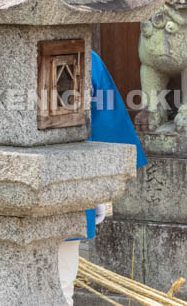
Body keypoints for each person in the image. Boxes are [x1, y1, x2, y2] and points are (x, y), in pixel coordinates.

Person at [56, 52, 147, 304]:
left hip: (15, 187)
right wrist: (99, 190)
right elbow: (108, 126)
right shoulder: (83, 55)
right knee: (60, 283)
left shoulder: (86, 57)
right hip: (69, 181)